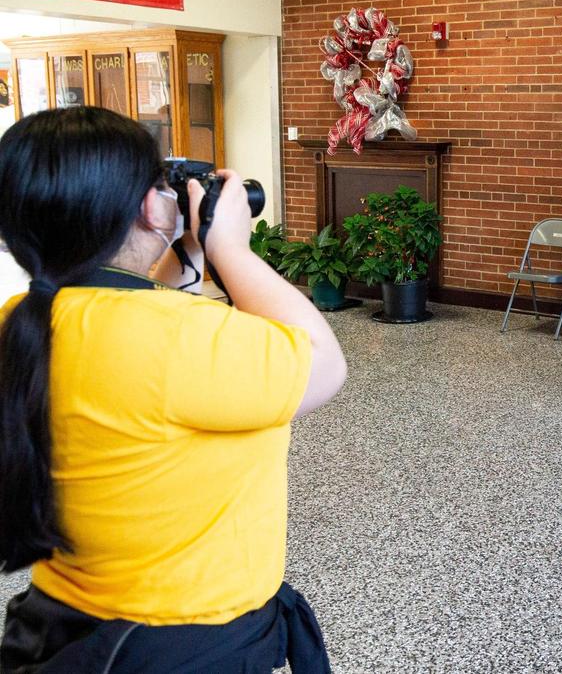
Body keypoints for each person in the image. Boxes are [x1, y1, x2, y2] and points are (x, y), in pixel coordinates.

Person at [0, 107, 347, 671]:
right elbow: (324, 364)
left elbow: (126, 320)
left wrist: (185, 256)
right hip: (183, 642)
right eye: (162, 184)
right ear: (145, 208)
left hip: (64, 625)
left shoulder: (21, 320)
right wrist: (232, 249)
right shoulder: (180, 340)